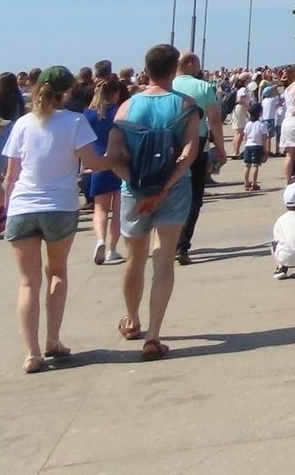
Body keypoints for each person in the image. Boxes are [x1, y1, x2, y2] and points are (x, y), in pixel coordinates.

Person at [0, 66, 119, 373]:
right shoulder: (75, 121)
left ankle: (31, 352)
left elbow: (11, 176)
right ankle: (53, 340)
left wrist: (5, 208)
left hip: (23, 206)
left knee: (28, 283)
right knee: (57, 274)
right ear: (67, 92)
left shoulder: (23, 123)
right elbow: (93, 162)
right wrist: (118, 159)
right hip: (59, 206)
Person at [108, 43, 201, 361]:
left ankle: (132, 319)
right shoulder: (185, 105)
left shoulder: (126, 108)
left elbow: (113, 157)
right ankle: (154, 334)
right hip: (174, 190)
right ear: (175, 68)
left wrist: (136, 184)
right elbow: (189, 153)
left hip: (134, 192)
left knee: (135, 258)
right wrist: (165, 188)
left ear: (145, 69)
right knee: (163, 260)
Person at [172, 52, 225, 268]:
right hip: (198, 143)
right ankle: (182, 245)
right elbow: (214, 120)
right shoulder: (203, 87)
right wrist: (220, 147)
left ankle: (168, 241)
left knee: (170, 194)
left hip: (169, 144)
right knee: (194, 197)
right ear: (191, 64)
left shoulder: (167, 85)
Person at [85, 76, 125, 265]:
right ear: (115, 93)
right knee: (118, 209)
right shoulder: (120, 112)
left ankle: (100, 239)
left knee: (100, 209)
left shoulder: (89, 115)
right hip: (117, 161)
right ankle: (112, 249)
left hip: (97, 162)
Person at [239, 103, 269, 192]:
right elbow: (264, 139)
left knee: (247, 165)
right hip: (257, 146)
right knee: (255, 165)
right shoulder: (261, 125)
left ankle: (246, 182)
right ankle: (254, 183)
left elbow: (244, 137)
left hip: (248, 145)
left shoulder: (248, 124)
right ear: (260, 113)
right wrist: (265, 150)